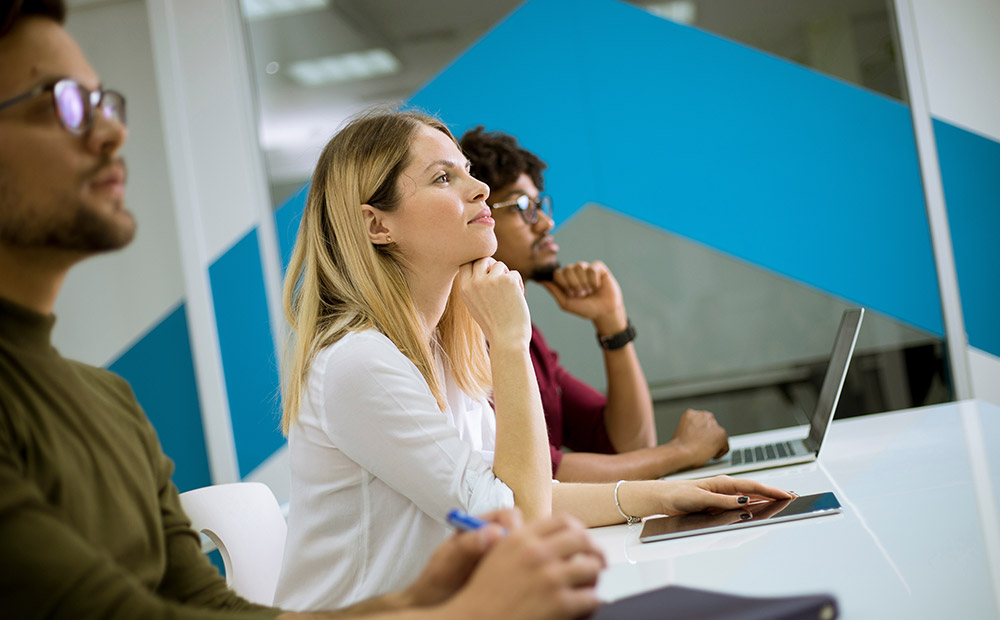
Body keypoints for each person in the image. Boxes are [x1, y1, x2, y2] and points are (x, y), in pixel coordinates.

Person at [0, 2, 608, 619]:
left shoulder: (112, 404)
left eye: (103, 105)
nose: (111, 132)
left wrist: (412, 603)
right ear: (376, 224)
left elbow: (212, 610)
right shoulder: (359, 361)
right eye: (62, 103)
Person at [275, 109, 793, 609]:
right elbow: (518, 519)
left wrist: (671, 496)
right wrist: (508, 337)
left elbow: (524, 496)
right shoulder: (361, 362)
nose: (478, 190)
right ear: (376, 225)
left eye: (469, 173)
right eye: (442, 178)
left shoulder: (442, 348)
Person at [460, 126, 730, 482]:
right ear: (480, 215)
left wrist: (612, 323)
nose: (546, 222)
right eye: (522, 206)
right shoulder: (466, 340)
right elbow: (543, 476)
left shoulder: (526, 338)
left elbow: (628, 447)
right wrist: (682, 452)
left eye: (540, 204)